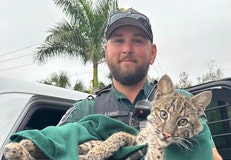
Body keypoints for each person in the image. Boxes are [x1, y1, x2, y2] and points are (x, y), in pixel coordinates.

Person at [58, 8, 222, 160]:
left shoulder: (184, 101)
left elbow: (210, 155)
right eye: (118, 40)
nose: (127, 49)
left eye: (137, 41)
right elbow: (53, 149)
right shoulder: (83, 110)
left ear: (153, 53)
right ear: (105, 52)